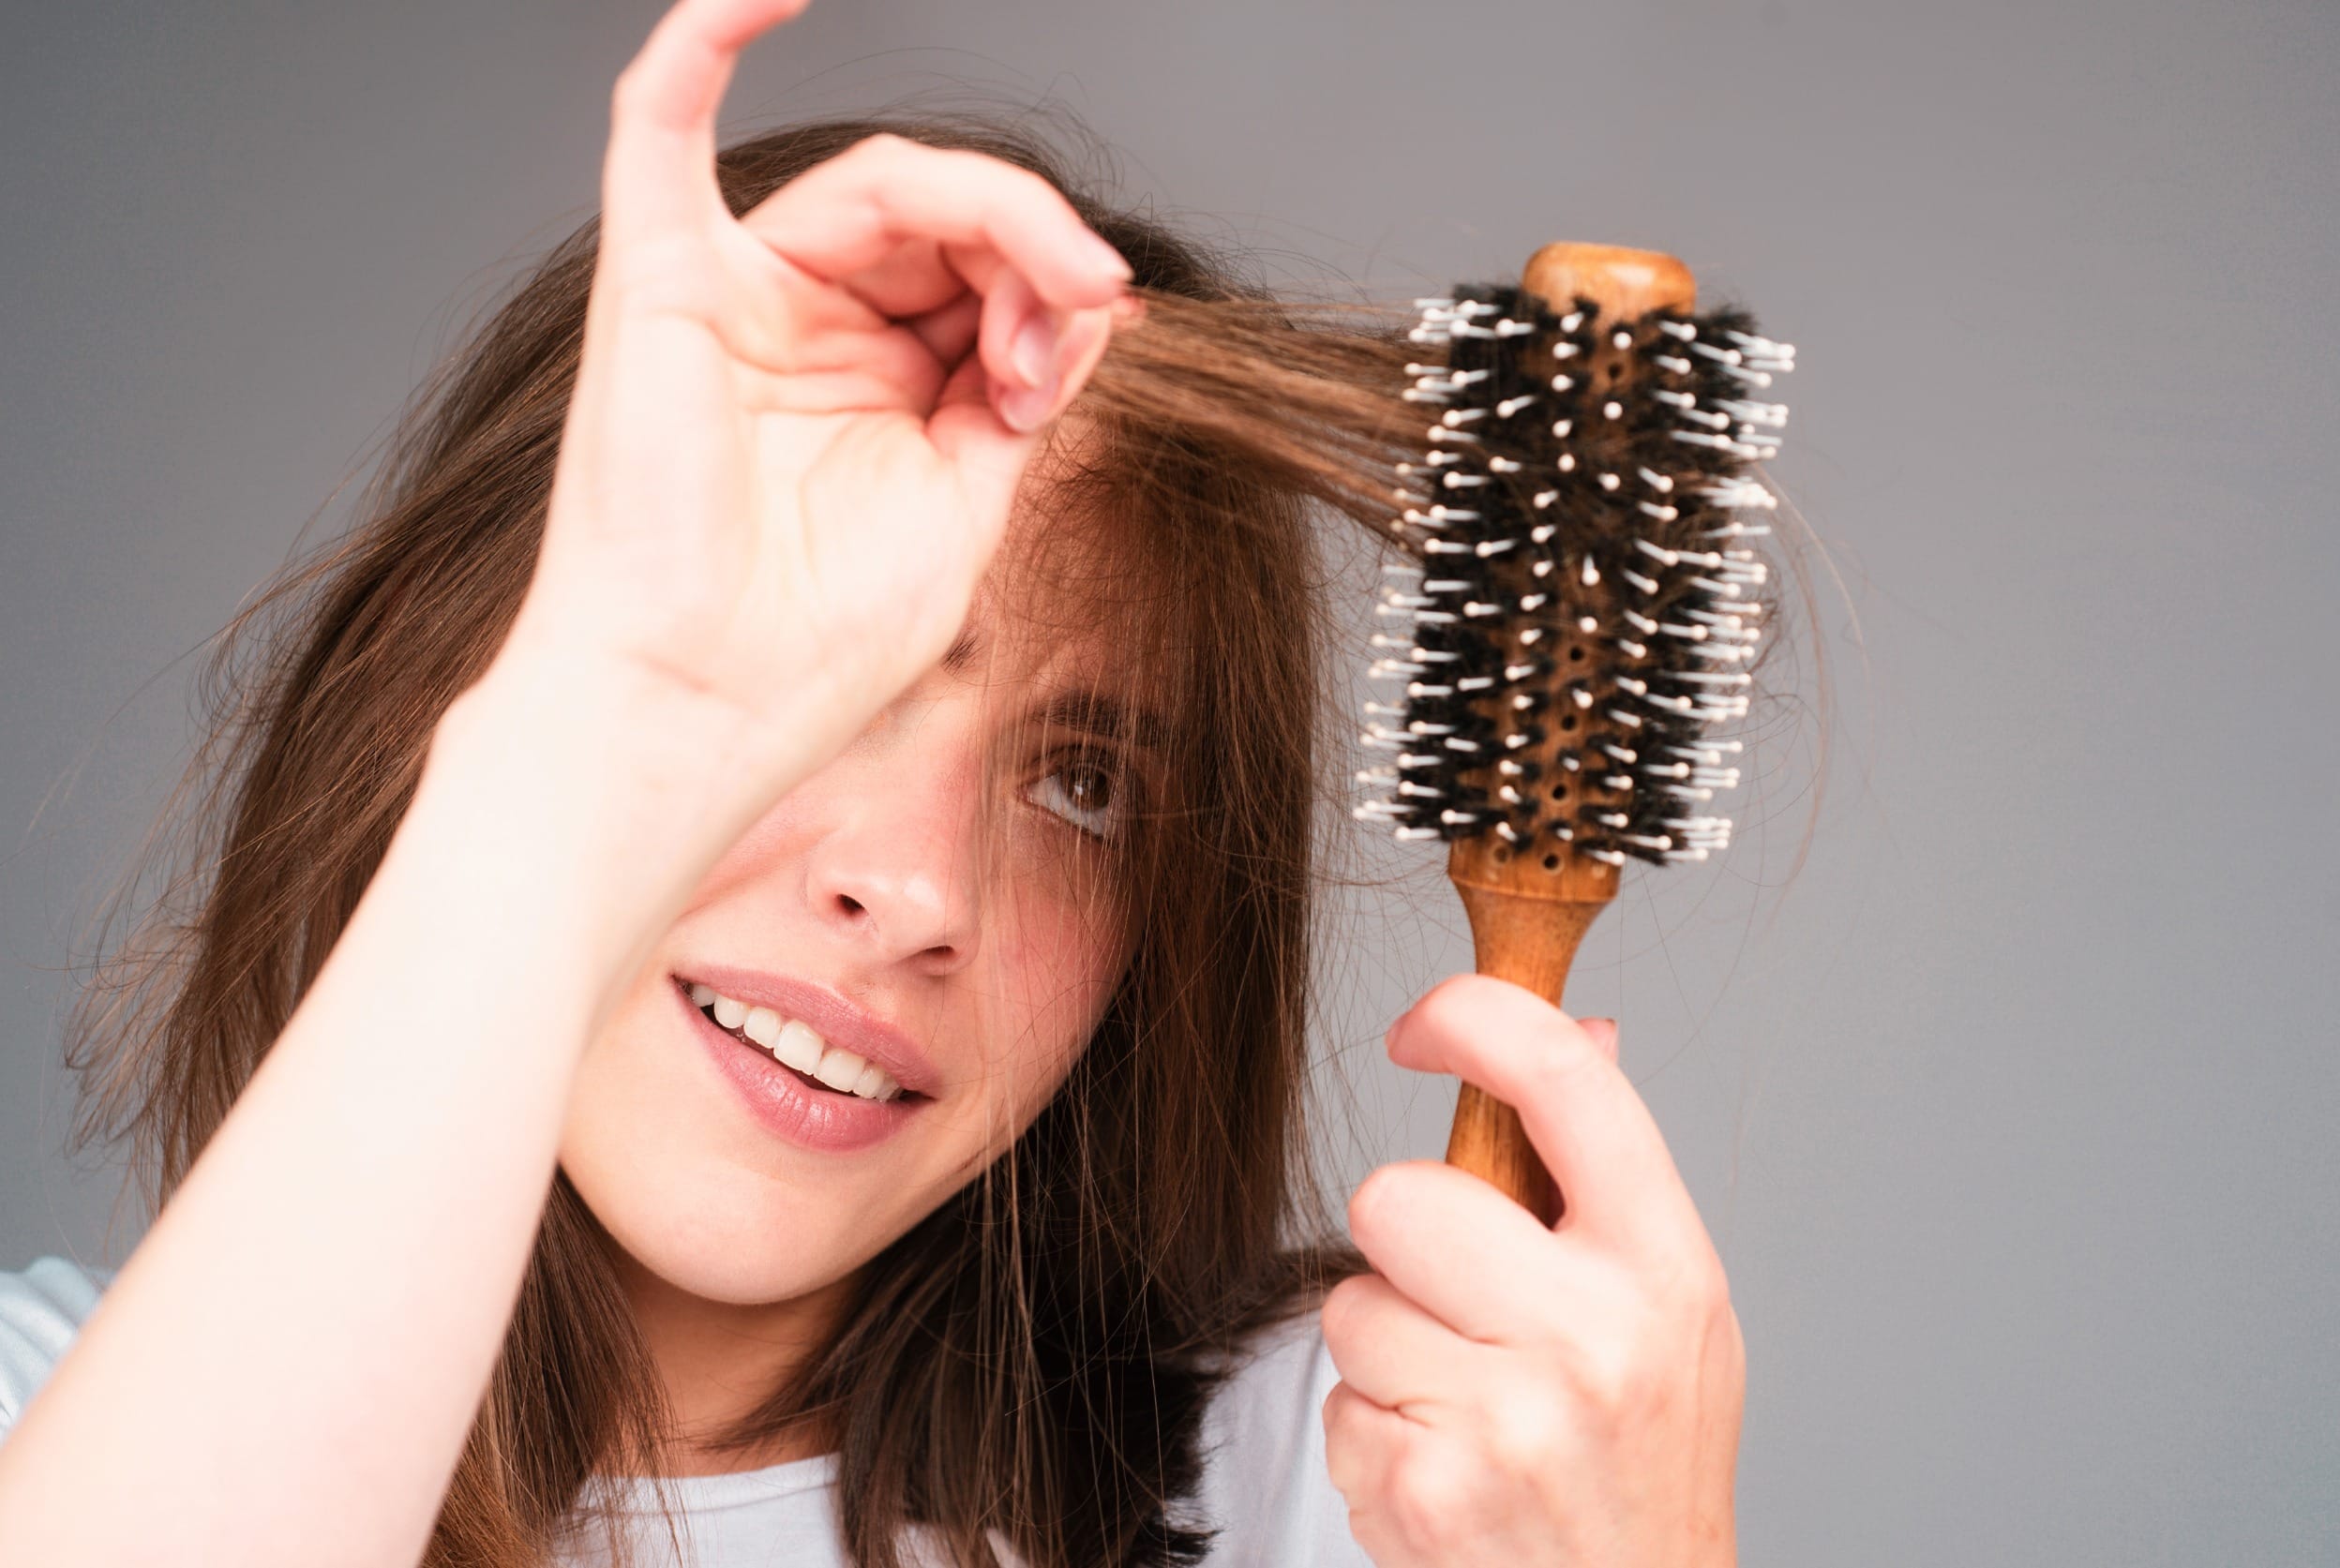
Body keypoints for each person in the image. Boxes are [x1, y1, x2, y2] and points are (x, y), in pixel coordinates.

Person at [0, 2, 1747, 1564]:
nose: (915, 893)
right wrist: (598, 729)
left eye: (1083, 787)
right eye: (825, 697)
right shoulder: (59, 1428)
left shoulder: (1381, 1488)